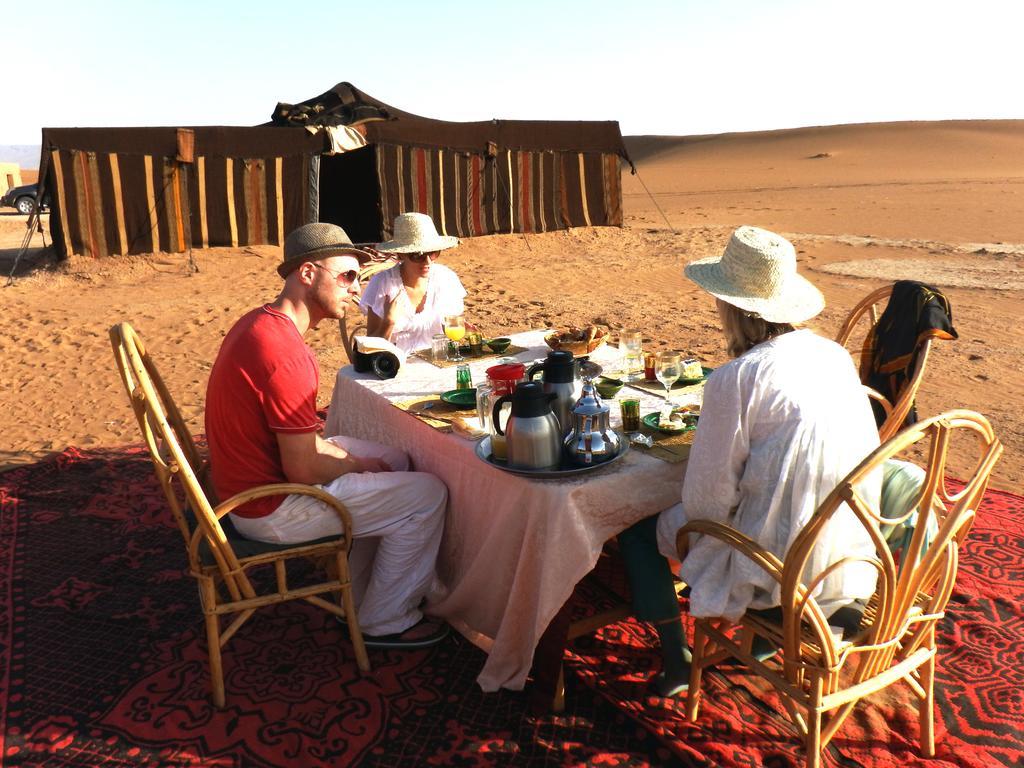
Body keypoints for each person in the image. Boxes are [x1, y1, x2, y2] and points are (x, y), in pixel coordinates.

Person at [621, 225, 881, 696]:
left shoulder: (737, 377)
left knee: (636, 528)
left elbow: (707, 500)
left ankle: (676, 658)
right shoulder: (832, 354)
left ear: (730, 307)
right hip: (850, 549)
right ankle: (757, 645)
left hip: (781, 568)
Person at [205, 222, 450, 649]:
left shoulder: (261, 323)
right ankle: (386, 618)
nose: (356, 289)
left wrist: (368, 467)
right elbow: (301, 466)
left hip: (250, 482)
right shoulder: (285, 353)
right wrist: (359, 467)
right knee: (428, 494)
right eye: (347, 276)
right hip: (266, 507)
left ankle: (358, 593)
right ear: (306, 274)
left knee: (395, 460)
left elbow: (299, 449)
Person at [361, 212, 466, 353]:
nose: (428, 261)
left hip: (438, 361)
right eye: (418, 255)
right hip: (394, 366)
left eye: (433, 252)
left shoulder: (446, 279)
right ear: (401, 254)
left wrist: (459, 332)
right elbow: (369, 348)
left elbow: (454, 331)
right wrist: (388, 323)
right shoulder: (383, 284)